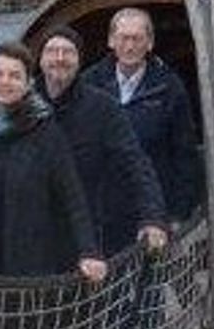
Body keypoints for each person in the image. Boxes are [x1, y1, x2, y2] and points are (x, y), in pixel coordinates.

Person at [0, 43, 105, 279]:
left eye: (15, 76)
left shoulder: (46, 131)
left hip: (30, 259)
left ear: (28, 83)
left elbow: (71, 194)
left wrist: (89, 251)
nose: (5, 82)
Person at [37, 25, 168, 255]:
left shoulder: (102, 107)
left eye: (68, 52)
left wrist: (153, 218)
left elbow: (135, 163)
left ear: (79, 60)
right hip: (31, 226)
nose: (59, 58)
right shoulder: (23, 105)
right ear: (40, 59)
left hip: (85, 230)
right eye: (52, 51)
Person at [81, 7, 199, 227]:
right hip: (102, 213)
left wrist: (179, 214)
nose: (129, 46)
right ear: (111, 41)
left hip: (153, 211)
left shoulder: (169, 88)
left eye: (137, 38)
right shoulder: (89, 84)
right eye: (123, 38)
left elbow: (185, 154)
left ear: (150, 43)